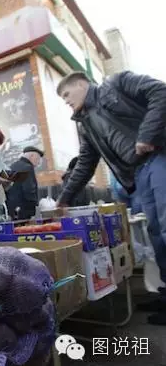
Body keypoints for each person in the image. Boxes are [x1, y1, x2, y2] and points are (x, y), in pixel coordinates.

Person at [56, 71, 166, 325]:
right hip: (138, 173)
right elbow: (85, 163)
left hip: (159, 155)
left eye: (66, 94)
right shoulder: (86, 125)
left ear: (82, 85)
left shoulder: (116, 84)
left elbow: (160, 92)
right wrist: (64, 199)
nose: (66, 101)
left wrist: (146, 136)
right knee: (157, 233)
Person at [6, 146, 45, 220]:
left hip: (12, 210)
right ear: (31, 156)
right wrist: (35, 208)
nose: (38, 163)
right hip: (24, 210)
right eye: (38, 159)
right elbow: (29, 189)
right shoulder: (28, 167)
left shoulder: (12, 166)